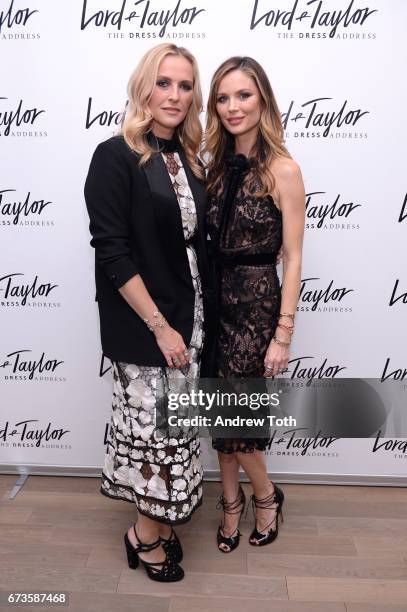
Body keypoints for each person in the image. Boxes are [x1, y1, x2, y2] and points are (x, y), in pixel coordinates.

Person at [84, 43, 212, 582]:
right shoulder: (115, 155)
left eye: (185, 86)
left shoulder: (188, 157)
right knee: (153, 434)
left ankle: (156, 522)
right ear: (143, 87)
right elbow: (112, 250)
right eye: (164, 83)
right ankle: (143, 535)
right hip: (146, 326)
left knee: (175, 429)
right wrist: (159, 327)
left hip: (191, 316)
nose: (175, 96)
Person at [204, 56, 305, 552]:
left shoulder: (283, 169)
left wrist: (283, 333)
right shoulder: (212, 167)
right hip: (214, 304)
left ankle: (264, 495)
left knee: (235, 417)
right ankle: (230, 503)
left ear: (261, 97)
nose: (232, 107)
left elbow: (293, 257)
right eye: (222, 97)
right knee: (219, 415)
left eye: (242, 95)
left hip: (256, 307)